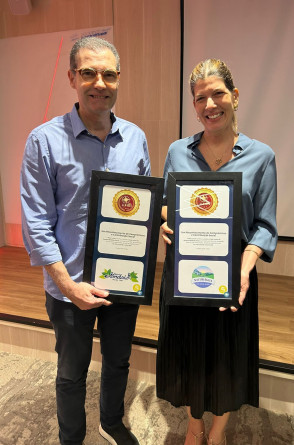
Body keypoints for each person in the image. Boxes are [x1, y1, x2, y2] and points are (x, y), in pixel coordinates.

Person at [20, 37, 150, 445]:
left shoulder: (136, 138)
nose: (100, 83)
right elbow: (36, 223)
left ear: (118, 80)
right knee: (71, 372)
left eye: (109, 74)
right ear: (72, 77)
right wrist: (67, 285)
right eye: (89, 73)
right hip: (69, 285)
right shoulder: (43, 140)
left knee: (118, 363)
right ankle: (71, 437)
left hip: (123, 282)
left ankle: (111, 423)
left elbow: (144, 208)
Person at [156, 59, 277, 445]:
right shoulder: (177, 150)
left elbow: (265, 225)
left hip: (233, 273)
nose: (210, 104)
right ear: (194, 106)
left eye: (218, 94)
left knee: (226, 360)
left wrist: (244, 268)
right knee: (188, 354)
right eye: (200, 98)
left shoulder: (262, 156)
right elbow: (165, 202)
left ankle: (219, 430)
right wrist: (163, 221)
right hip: (184, 271)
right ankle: (194, 426)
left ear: (235, 96)